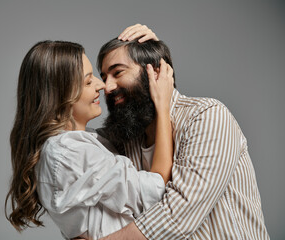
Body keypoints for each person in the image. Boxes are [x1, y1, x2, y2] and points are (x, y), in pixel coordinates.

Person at [96, 24, 270, 239]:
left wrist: (154, 55)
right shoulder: (123, 138)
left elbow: (177, 217)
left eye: (118, 72)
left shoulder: (207, 116)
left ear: (156, 71)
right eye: (104, 77)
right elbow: (69, 149)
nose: (107, 87)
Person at [5, 27, 175, 239]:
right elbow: (156, 189)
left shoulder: (84, 143)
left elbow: (137, 123)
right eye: (87, 81)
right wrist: (163, 106)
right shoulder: (70, 152)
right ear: (60, 95)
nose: (101, 85)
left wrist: (151, 55)